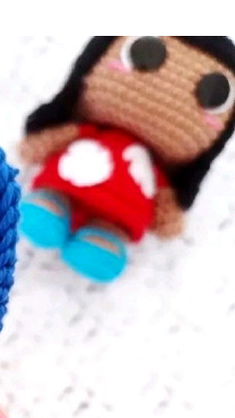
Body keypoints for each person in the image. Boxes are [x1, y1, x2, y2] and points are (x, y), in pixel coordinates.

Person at [18, 36, 235, 282]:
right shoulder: (90, 133)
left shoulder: (154, 170)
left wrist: (170, 214)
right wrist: (37, 143)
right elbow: (41, 144)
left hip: (119, 212)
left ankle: (99, 240)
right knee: (45, 213)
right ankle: (51, 209)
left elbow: (166, 209)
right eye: (145, 54)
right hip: (69, 182)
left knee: (98, 241)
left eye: (214, 94)